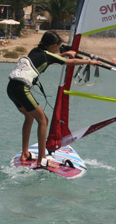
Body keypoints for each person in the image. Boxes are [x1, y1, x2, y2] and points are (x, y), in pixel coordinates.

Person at [7, 31, 102, 167]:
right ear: (54, 45)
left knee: (29, 117)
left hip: (11, 88)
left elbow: (50, 57)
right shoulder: (46, 56)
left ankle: (25, 153)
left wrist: (63, 54)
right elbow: (72, 62)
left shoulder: (35, 51)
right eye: (58, 47)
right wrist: (90, 61)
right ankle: (42, 159)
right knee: (43, 120)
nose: (58, 49)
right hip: (22, 89)